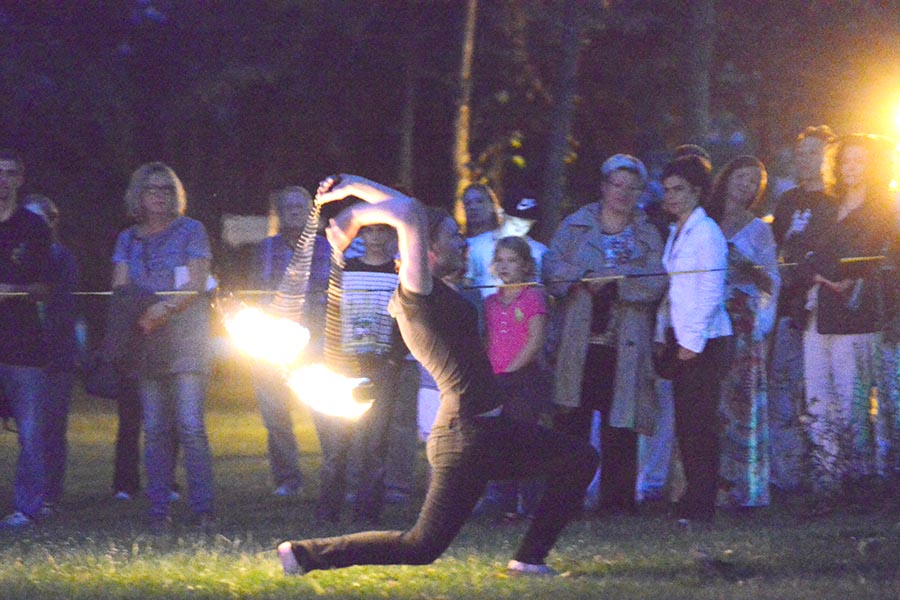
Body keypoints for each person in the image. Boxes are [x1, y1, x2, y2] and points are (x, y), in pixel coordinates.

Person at [278, 174, 598, 577]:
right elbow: (409, 212)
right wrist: (354, 205)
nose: (462, 243)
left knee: (579, 458)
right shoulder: (417, 295)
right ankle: (304, 554)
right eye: (452, 237)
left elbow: (411, 211)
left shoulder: (434, 292)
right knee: (420, 546)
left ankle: (529, 559)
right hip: (465, 437)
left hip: (487, 431)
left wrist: (351, 191)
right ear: (425, 250)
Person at [543, 153, 666, 517]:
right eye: (617, 184)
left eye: (632, 187)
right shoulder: (575, 225)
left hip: (625, 343)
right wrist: (584, 277)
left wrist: (618, 282)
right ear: (603, 186)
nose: (623, 193)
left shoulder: (648, 233)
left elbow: (657, 281)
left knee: (621, 425)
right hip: (578, 342)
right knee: (571, 422)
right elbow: (550, 268)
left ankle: (617, 503)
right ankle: (566, 500)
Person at [111, 161, 215, 531]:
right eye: (151, 189)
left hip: (186, 339)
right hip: (146, 340)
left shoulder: (192, 231)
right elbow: (120, 286)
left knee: (190, 424)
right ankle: (158, 509)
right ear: (138, 195)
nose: (159, 195)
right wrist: (142, 313)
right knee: (154, 427)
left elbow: (198, 281)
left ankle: (203, 509)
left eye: (166, 189)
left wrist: (165, 308)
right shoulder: (128, 239)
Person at [800, 134, 894, 508]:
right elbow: (803, 252)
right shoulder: (826, 206)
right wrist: (820, 271)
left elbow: (860, 257)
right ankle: (827, 478)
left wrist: (826, 268)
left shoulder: (882, 209)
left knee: (852, 398)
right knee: (818, 396)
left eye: (860, 160)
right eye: (847, 160)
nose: (852, 167)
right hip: (818, 313)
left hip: (857, 316)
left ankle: (859, 477)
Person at [658, 155, 732, 523]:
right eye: (667, 190)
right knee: (686, 424)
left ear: (697, 192)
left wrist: (694, 340)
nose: (671, 196)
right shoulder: (677, 231)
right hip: (681, 334)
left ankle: (702, 503)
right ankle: (692, 496)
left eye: (679, 189)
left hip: (706, 339)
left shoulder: (707, 233)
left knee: (700, 424)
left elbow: (712, 289)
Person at [706, 156, 780, 508]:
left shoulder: (760, 230)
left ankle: (741, 486)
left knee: (740, 401)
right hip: (705, 320)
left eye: (754, 181)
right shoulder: (705, 221)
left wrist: (748, 269)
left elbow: (771, 279)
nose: (746, 185)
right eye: (741, 177)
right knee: (706, 400)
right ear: (727, 177)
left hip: (742, 323)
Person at [768, 126, 836, 497]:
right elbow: (776, 248)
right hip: (786, 308)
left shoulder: (837, 201)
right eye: (801, 152)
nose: (805, 159)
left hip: (823, 308)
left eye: (813, 152)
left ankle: (827, 471)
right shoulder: (787, 201)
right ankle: (786, 475)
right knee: (783, 388)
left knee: (821, 391)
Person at [249, 186, 322, 497]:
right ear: (278, 213)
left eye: (300, 206)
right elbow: (256, 292)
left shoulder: (328, 248)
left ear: (312, 213)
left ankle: (336, 477)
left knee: (326, 413)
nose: (293, 211)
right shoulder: (264, 250)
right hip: (273, 344)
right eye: (287, 207)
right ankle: (287, 480)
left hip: (317, 342)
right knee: (275, 415)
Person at [0, 149, 52, 529]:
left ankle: (28, 507)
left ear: (20, 179)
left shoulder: (34, 228)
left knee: (31, 433)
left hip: (23, 345)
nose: (2, 180)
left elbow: (45, 287)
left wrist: (12, 291)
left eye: (9, 173)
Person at [480, 236, 551, 518]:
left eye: (512, 261)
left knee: (524, 438)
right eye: (500, 260)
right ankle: (503, 502)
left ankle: (533, 503)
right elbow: (489, 340)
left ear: (525, 266)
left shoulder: (532, 297)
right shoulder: (490, 302)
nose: (505, 266)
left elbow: (535, 339)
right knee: (500, 440)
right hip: (496, 378)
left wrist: (512, 370)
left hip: (524, 378)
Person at [22, 194, 80, 512]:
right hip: (21, 355)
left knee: (52, 427)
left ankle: (49, 495)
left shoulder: (62, 259)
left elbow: (64, 311)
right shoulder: (16, 257)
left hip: (56, 356)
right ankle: (29, 491)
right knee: (29, 428)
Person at [464, 185, 548, 298]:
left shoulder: (540, 252)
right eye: (514, 222)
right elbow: (465, 285)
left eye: (527, 223)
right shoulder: (475, 246)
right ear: (501, 213)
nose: (520, 227)